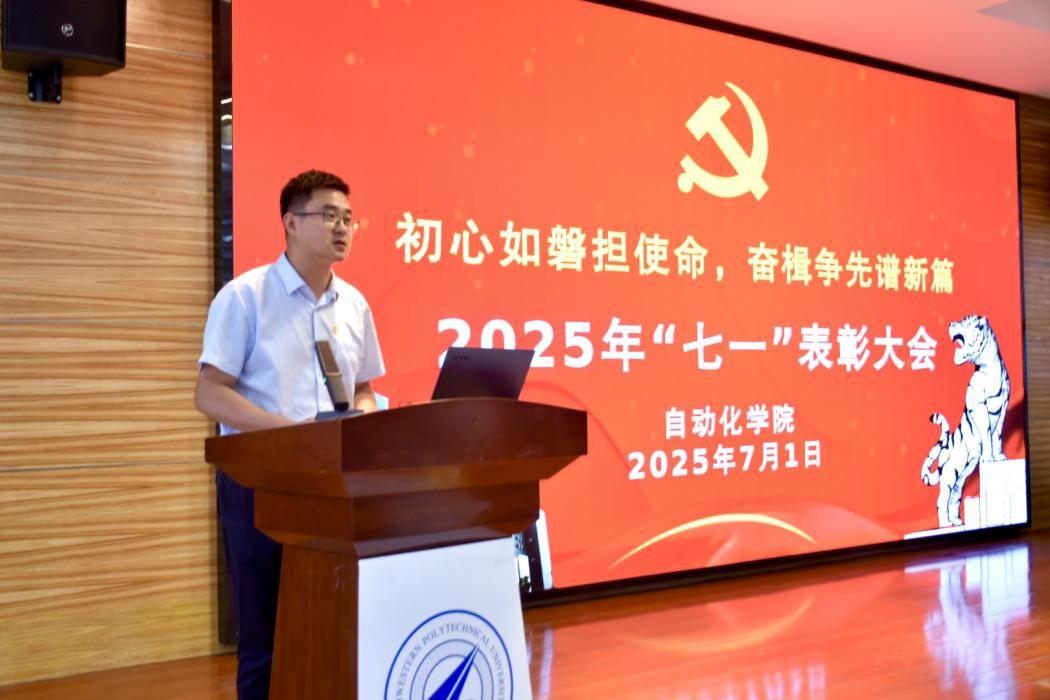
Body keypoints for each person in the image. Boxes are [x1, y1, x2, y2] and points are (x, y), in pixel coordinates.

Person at [194, 169, 384, 700]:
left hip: (334, 487)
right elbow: (209, 393)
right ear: (291, 223)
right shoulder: (245, 297)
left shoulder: (354, 304)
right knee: (265, 635)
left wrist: (363, 416)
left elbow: (363, 387)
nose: (342, 227)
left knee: (330, 625)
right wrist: (292, 434)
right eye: (329, 215)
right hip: (262, 485)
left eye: (348, 218)